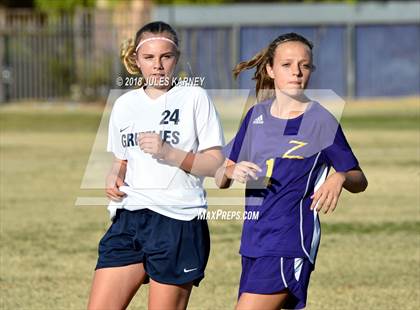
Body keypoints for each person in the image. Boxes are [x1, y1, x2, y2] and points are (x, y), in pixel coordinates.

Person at [215, 32, 368, 310]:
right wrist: (231, 169)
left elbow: (359, 179)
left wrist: (341, 176)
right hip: (253, 243)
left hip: (288, 242)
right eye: (287, 65)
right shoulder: (256, 116)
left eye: (304, 65)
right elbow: (220, 177)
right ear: (271, 70)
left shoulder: (320, 120)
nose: (297, 72)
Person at [88, 21, 224, 310]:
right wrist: (115, 175)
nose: (158, 65)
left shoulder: (194, 98)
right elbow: (121, 160)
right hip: (129, 219)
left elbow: (215, 165)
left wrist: (169, 153)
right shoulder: (124, 105)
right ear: (137, 61)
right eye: (149, 57)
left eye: (166, 57)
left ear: (177, 58)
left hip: (178, 220)